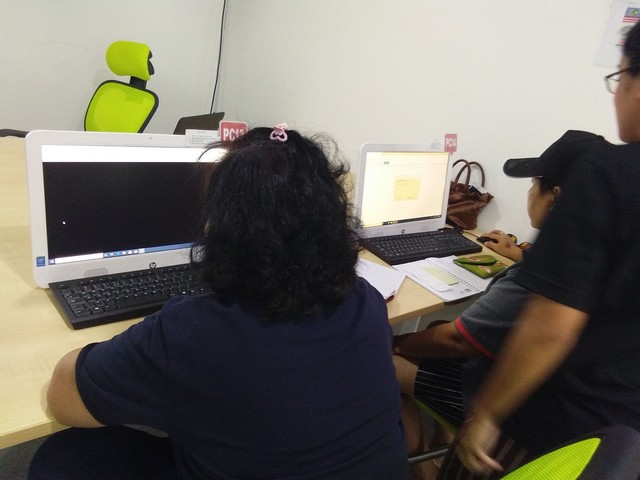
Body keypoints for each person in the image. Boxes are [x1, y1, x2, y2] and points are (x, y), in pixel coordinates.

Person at [28, 125, 410, 480]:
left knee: (62, 457)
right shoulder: (367, 300)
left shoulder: (192, 334)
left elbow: (64, 400)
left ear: (219, 227)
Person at [455, 20, 640, 475]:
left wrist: (487, 413)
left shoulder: (609, 173)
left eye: (619, 76)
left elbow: (552, 325)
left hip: (564, 419)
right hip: (625, 436)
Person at [393, 167, 563, 480]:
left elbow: (458, 340)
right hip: (530, 384)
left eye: (533, 184)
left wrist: (394, 343)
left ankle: (422, 468)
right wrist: (518, 255)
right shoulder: (572, 257)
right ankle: (442, 442)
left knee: (385, 361)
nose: (529, 193)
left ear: (554, 196)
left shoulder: (538, 278)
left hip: (499, 400)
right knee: (435, 325)